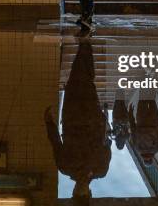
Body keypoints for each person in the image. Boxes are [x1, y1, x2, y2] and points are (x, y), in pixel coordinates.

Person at [44, 41, 111, 205]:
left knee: (77, 79)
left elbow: (55, 142)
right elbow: (106, 142)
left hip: (74, 116)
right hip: (85, 116)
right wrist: (105, 118)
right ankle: (85, 42)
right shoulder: (100, 170)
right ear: (89, 193)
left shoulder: (66, 166)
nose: (80, 190)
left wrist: (49, 122)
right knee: (87, 81)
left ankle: (85, 42)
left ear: (73, 192)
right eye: (84, 195)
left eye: (77, 194)